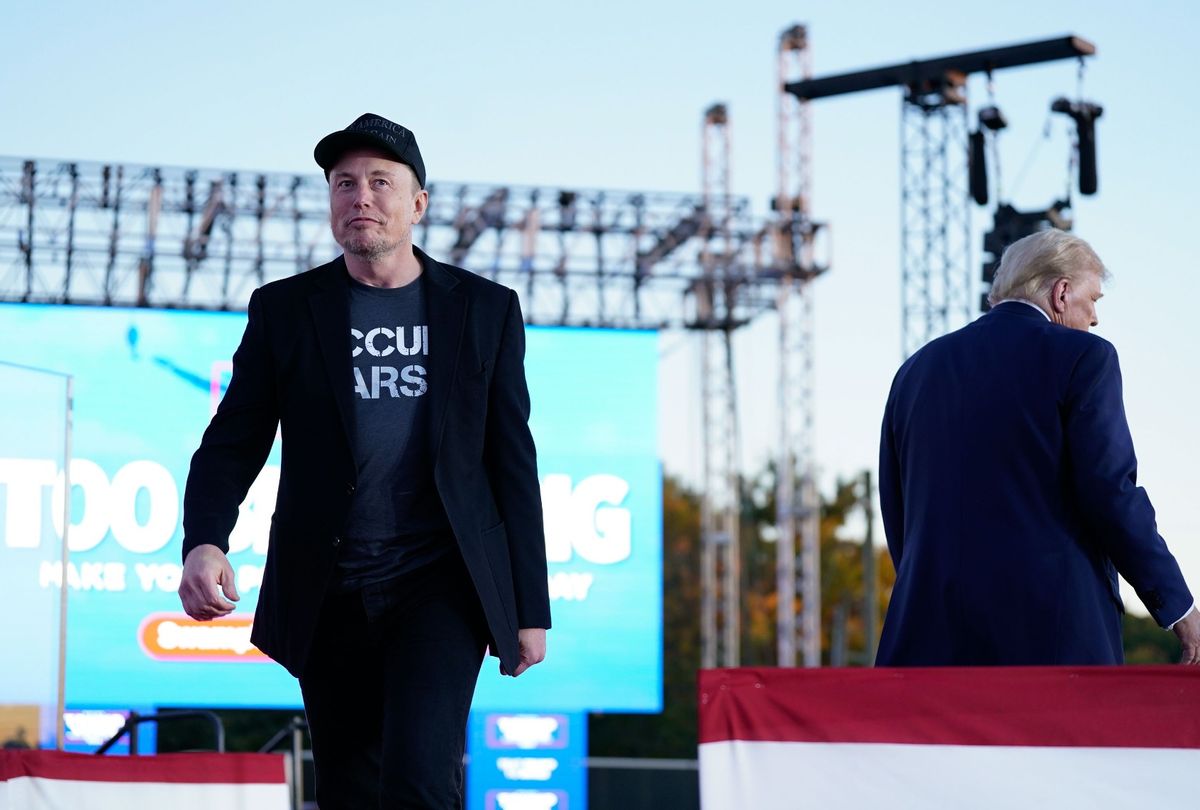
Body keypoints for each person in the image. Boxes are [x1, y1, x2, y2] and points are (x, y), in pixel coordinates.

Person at [178, 113, 550, 808]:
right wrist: (204, 541)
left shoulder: (484, 311)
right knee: (349, 786)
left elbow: (512, 463)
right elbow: (232, 440)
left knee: (417, 779)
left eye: (381, 181)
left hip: (440, 583)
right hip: (329, 584)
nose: (361, 197)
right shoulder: (286, 310)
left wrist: (530, 607)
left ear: (418, 204)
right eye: (344, 183)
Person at [875, 228, 1200, 666]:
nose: (1096, 318)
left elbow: (899, 513)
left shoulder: (914, 371)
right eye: (1095, 300)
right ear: (1062, 292)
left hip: (929, 638)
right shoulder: (1085, 358)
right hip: (1052, 640)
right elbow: (1110, 493)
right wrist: (1177, 606)